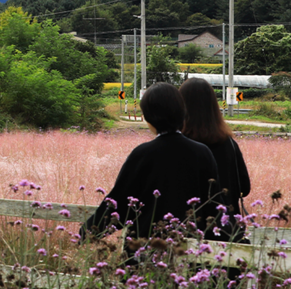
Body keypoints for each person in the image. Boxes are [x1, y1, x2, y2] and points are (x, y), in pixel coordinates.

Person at [82, 83, 224, 253]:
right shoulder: (202, 152)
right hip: (190, 249)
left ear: (148, 117)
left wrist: (88, 231)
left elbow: (119, 201)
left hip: (144, 248)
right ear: (182, 113)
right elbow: (214, 202)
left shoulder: (143, 153)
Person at [179, 78, 250, 238]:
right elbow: (244, 188)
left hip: (188, 234)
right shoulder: (229, 144)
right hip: (226, 232)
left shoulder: (179, 146)